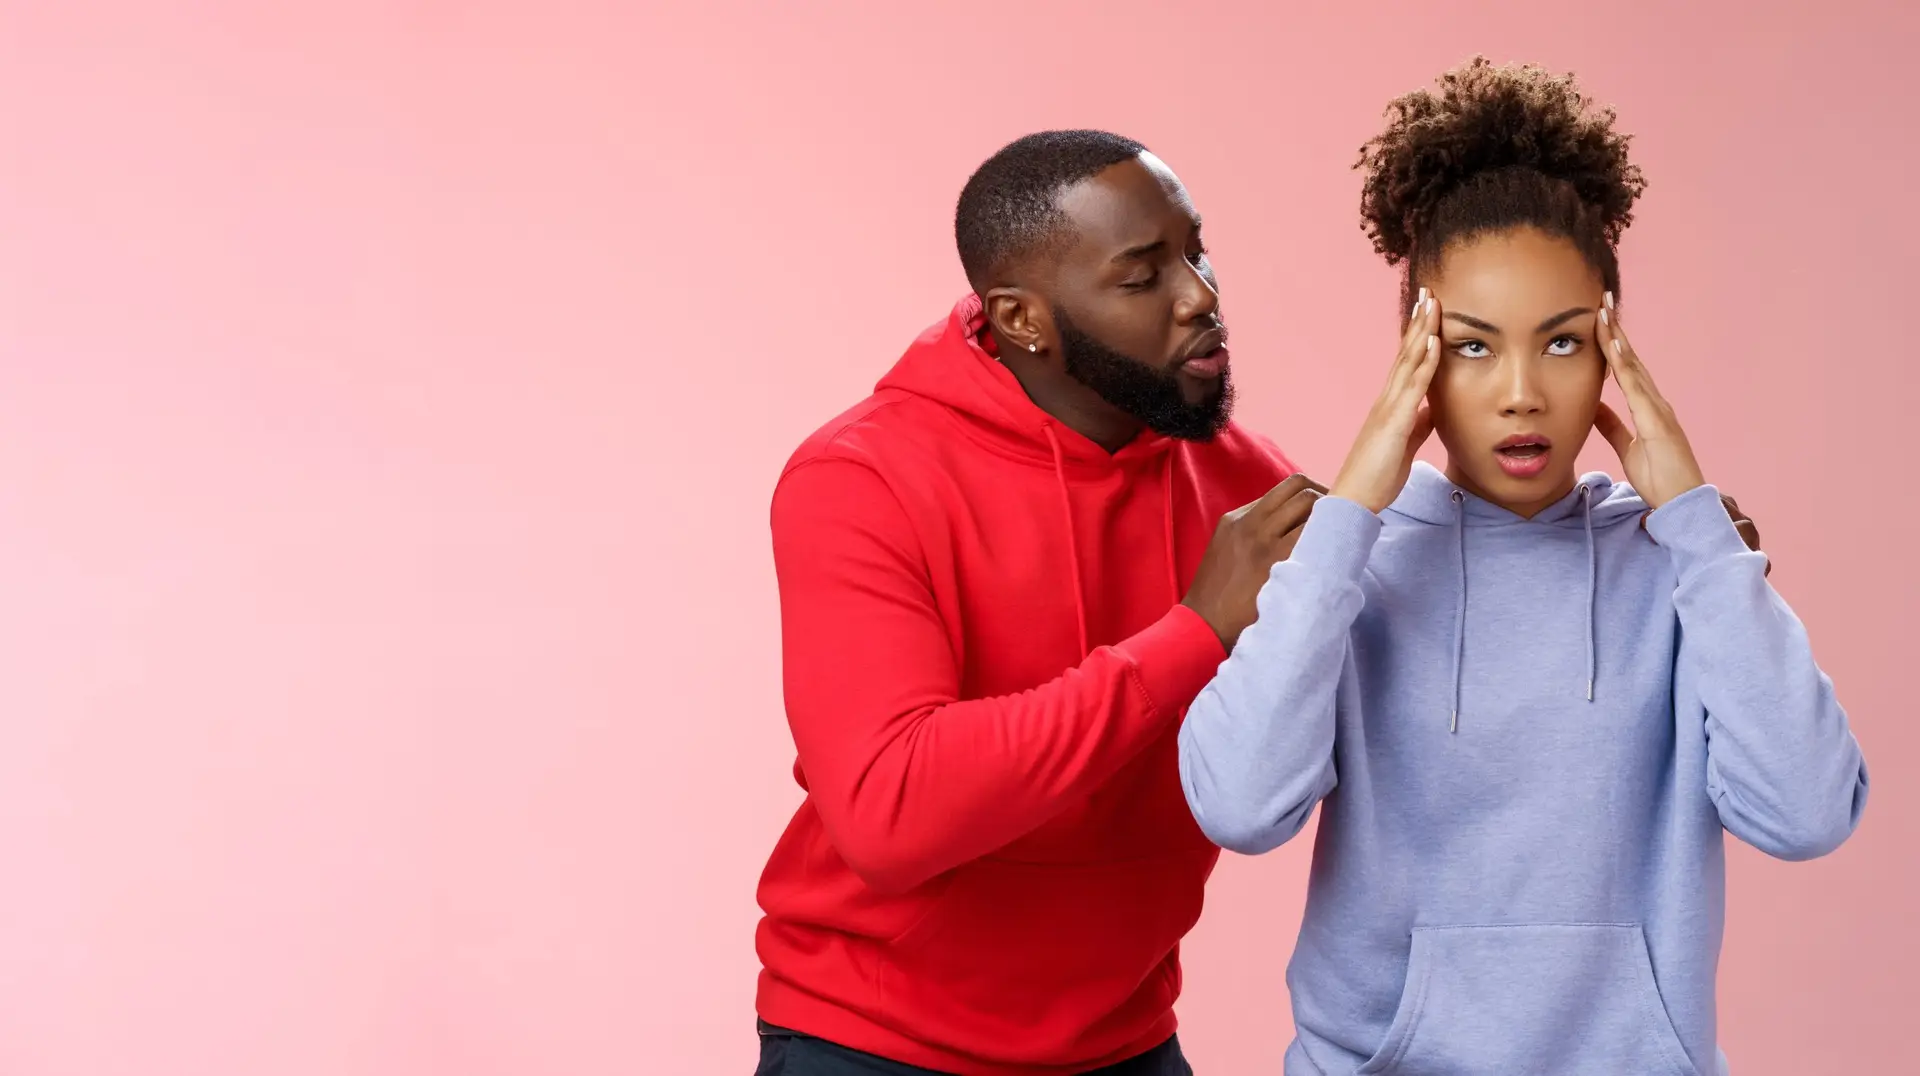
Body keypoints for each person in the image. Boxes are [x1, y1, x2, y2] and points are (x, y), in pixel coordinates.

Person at [1177, 59, 1868, 1076]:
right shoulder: (1345, 566)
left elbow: (1808, 812)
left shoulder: (1680, 562)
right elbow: (1238, 803)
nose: (1518, 394)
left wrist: (1694, 523)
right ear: (1413, 356)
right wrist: (1350, 520)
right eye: (1471, 347)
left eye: (1560, 343)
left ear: (1613, 349)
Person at [752, 130, 1320, 1075]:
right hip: (873, 1045)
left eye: (1196, 250)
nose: (1201, 297)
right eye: (1144, 278)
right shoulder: (862, 479)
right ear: (1024, 319)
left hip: (1126, 1040)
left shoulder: (1246, 487)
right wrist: (1193, 632)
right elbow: (889, 813)